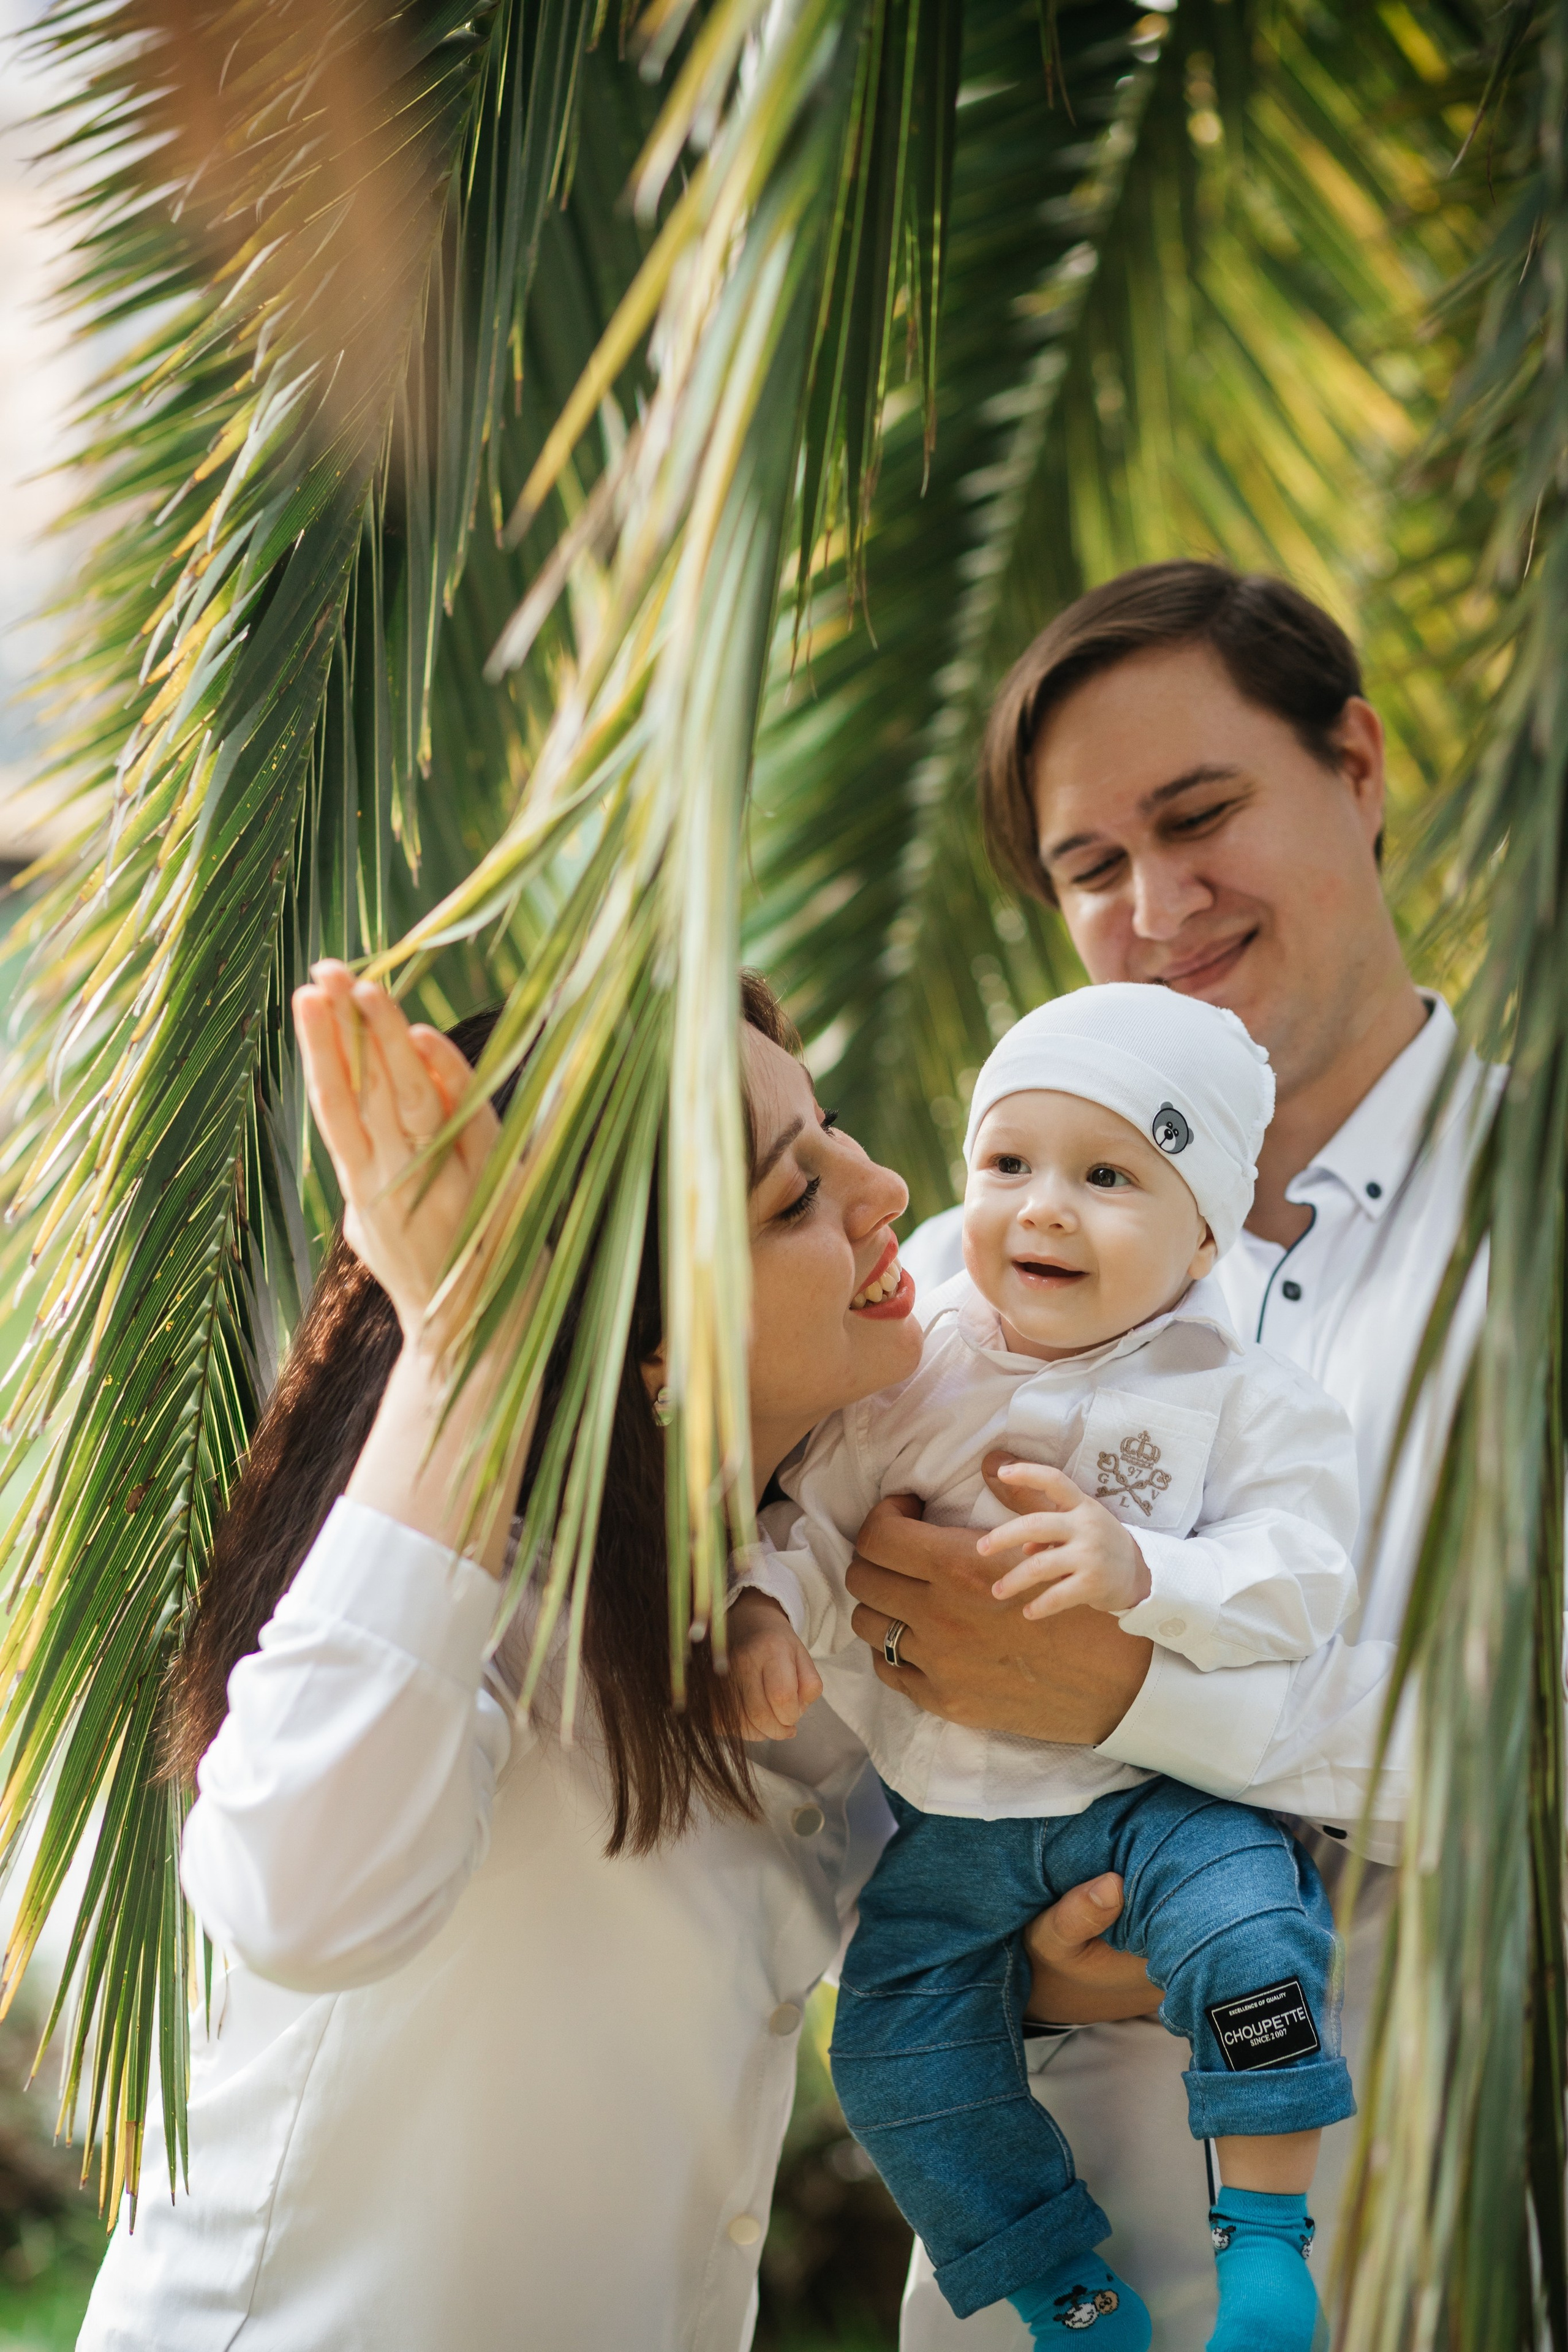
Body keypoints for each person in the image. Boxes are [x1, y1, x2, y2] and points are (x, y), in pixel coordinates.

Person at [79, 963, 1049, 2351]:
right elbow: (296, 1898)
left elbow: (952, 1942)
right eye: (790, 1197)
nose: (884, 1185)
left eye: (828, 1128)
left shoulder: (799, 1600)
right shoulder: (473, 1604)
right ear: (643, 1346)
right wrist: (471, 1347)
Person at [872, 562, 1497, 2348]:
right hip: (1029, 2250)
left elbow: (1513, 1733)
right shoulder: (944, 1289)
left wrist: (1119, 1690)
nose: (1157, 904)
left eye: (1202, 812)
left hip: (1428, 2246)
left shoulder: (1532, 1223)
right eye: (1088, 867)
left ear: (1360, 766)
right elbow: (837, 1679)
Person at [729, 984, 1362, 2351]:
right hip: (954, 1830)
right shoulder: (913, 1374)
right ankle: (1055, 2287)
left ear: (1202, 1238)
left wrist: (1144, 1574)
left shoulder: (1243, 1396)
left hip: (1162, 1800)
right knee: (891, 2053)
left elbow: (1305, 1576)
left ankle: (1263, 2244)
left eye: (1107, 1176)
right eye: (1007, 1163)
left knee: (1255, 1944)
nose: (1043, 1206)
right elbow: (804, 1521)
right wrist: (762, 1613)